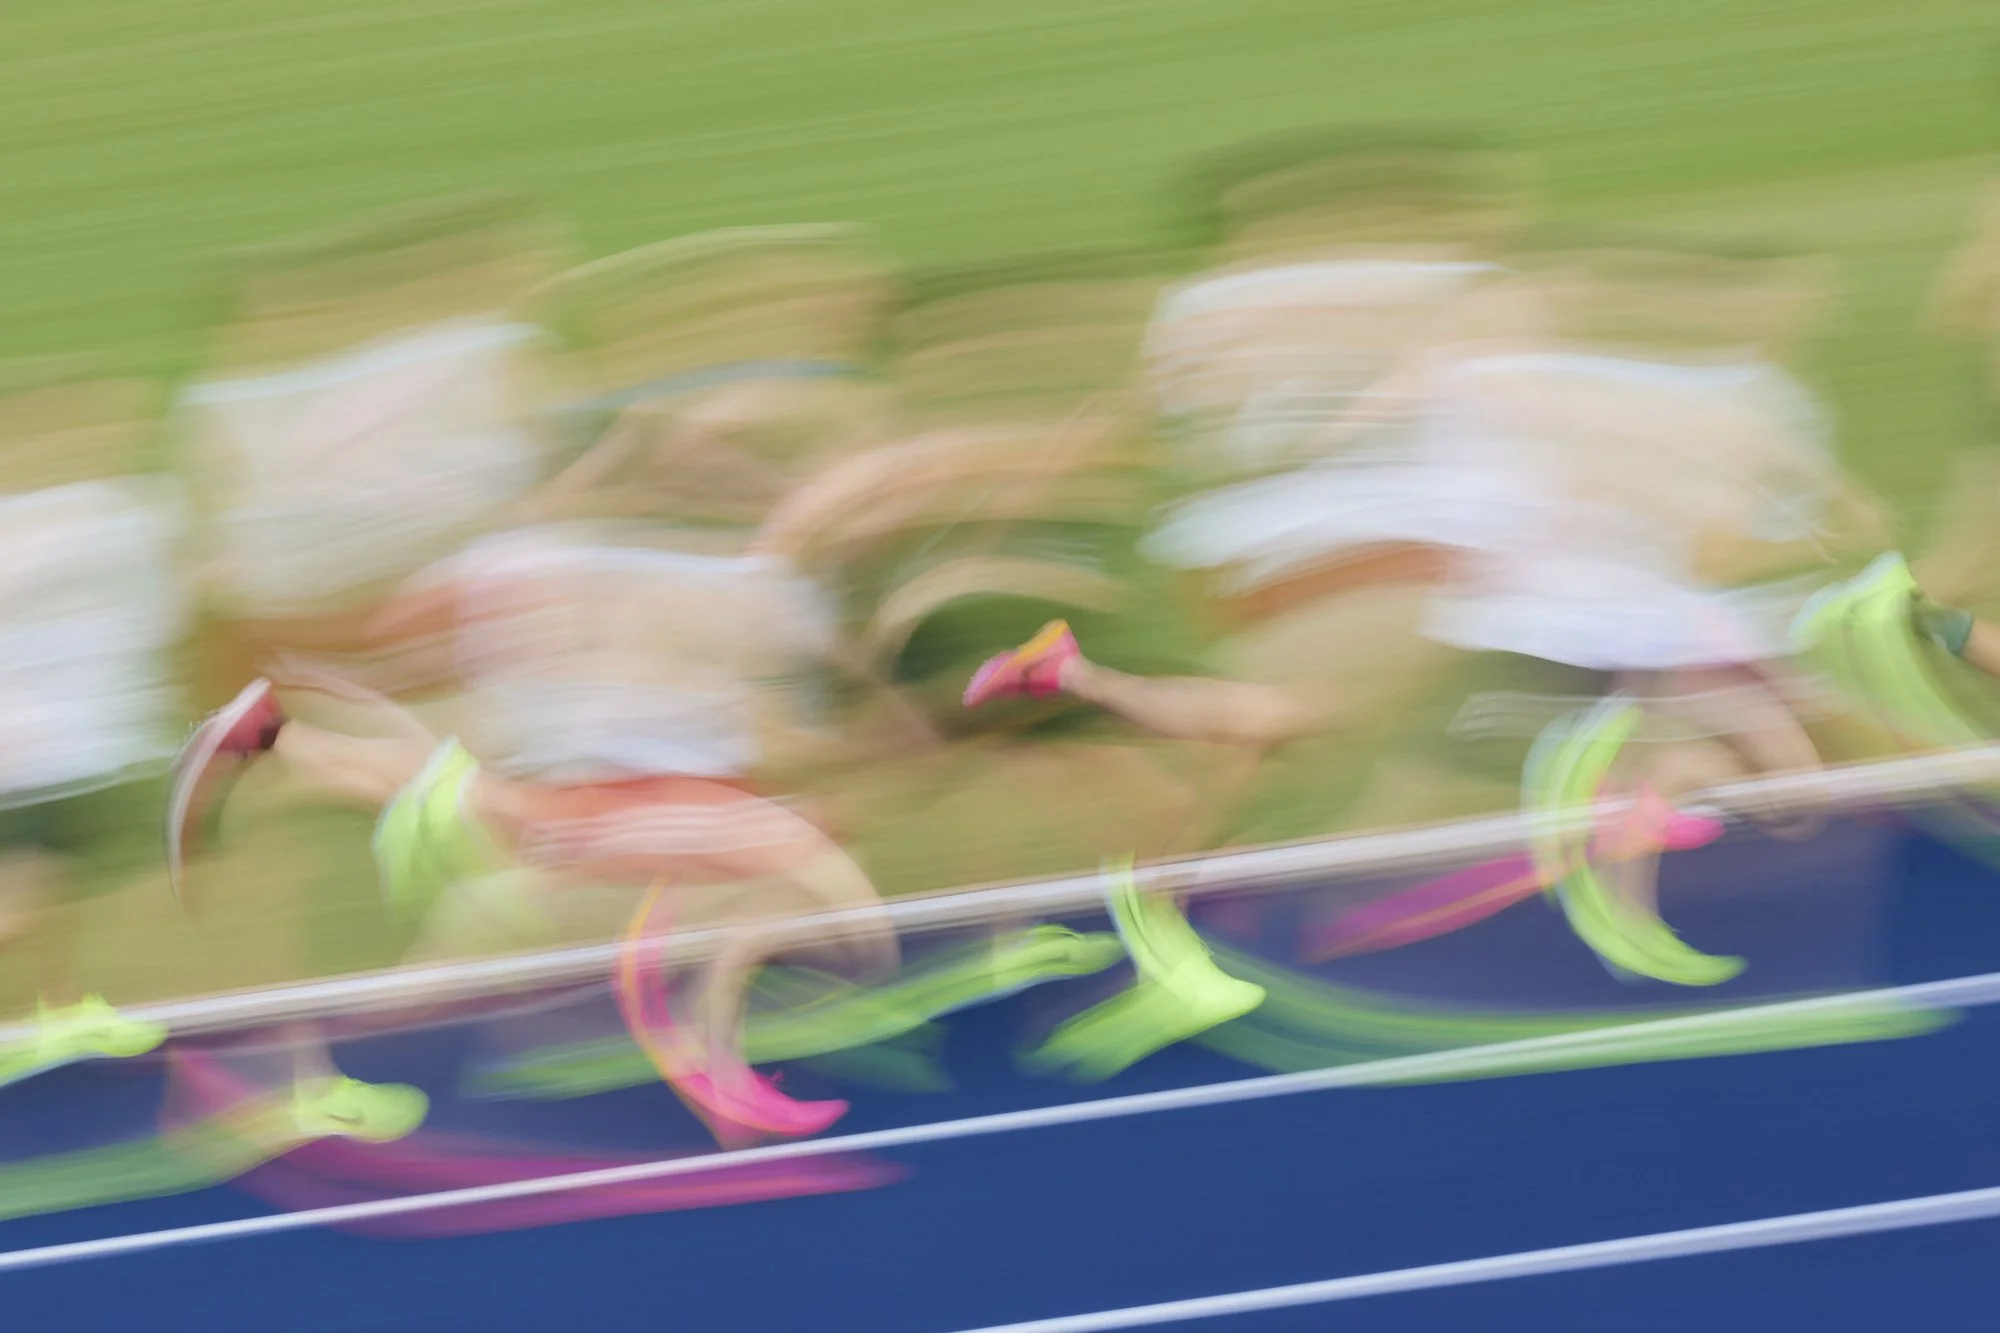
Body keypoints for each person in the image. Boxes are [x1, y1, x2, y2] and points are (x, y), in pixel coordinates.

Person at [169, 662, 898, 1145]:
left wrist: (721, 1075)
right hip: (540, 865)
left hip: (550, 849)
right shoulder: (779, 865)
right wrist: (720, 1080)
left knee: (435, 787)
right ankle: (285, 1064)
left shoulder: (774, 847)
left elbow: (686, 938)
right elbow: (678, 961)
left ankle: (268, 733)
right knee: (434, 876)